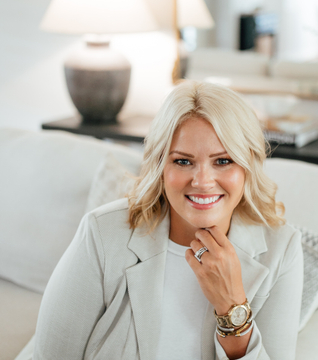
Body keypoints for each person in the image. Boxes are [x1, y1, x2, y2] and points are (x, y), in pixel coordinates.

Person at [32, 81, 303, 360]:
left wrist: (232, 307)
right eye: (183, 161)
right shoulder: (101, 233)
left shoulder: (283, 250)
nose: (202, 182)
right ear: (160, 165)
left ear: (248, 165)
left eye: (223, 161)